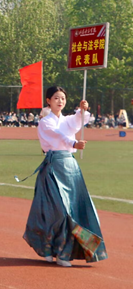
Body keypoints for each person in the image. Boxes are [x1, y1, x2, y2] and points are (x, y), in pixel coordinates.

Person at [23, 86, 107, 266]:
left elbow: (78, 120)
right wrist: (74, 143)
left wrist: (83, 109)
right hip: (53, 168)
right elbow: (57, 135)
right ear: (48, 101)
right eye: (56, 98)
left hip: (70, 168)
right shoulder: (45, 122)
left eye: (62, 98)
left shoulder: (67, 120)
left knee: (74, 211)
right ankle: (48, 248)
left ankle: (63, 253)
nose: (60, 101)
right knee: (57, 213)